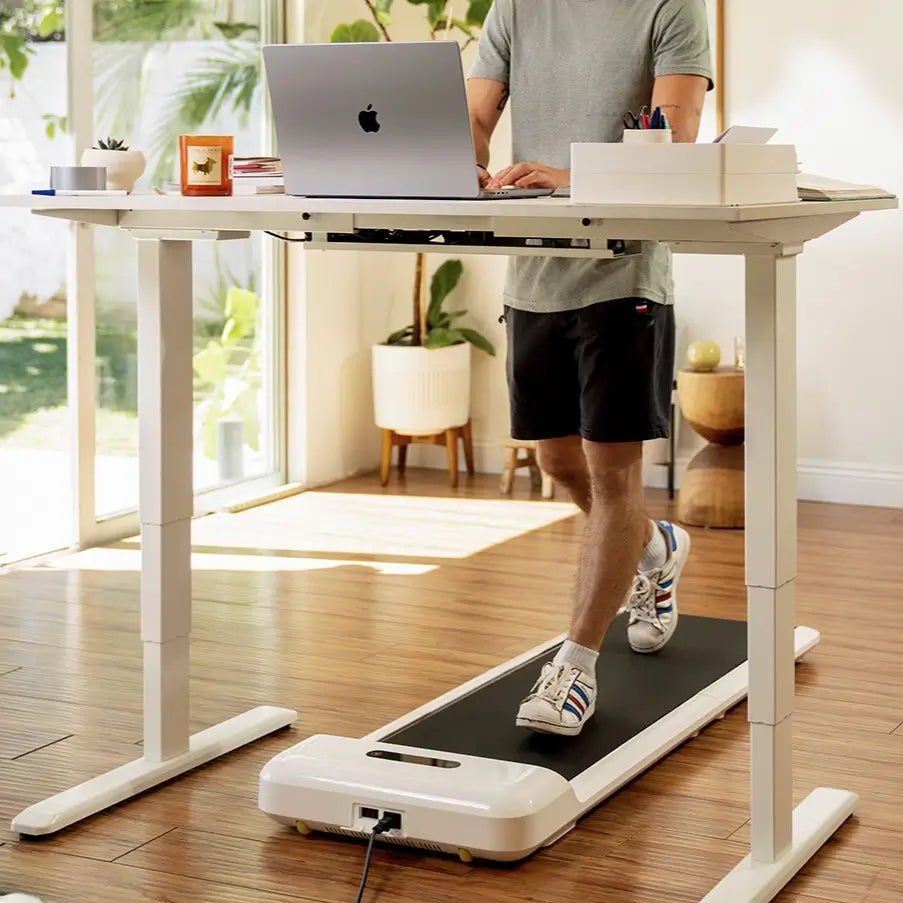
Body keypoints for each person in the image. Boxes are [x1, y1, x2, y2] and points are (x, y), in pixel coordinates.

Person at [466, 0, 714, 736]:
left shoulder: (671, 8)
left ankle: (573, 669)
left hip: (623, 272)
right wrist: (460, 157)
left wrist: (567, 176)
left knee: (611, 477)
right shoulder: (514, 8)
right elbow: (476, 116)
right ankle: (654, 545)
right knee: (557, 462)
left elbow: (674, 139)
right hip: (532, 273)